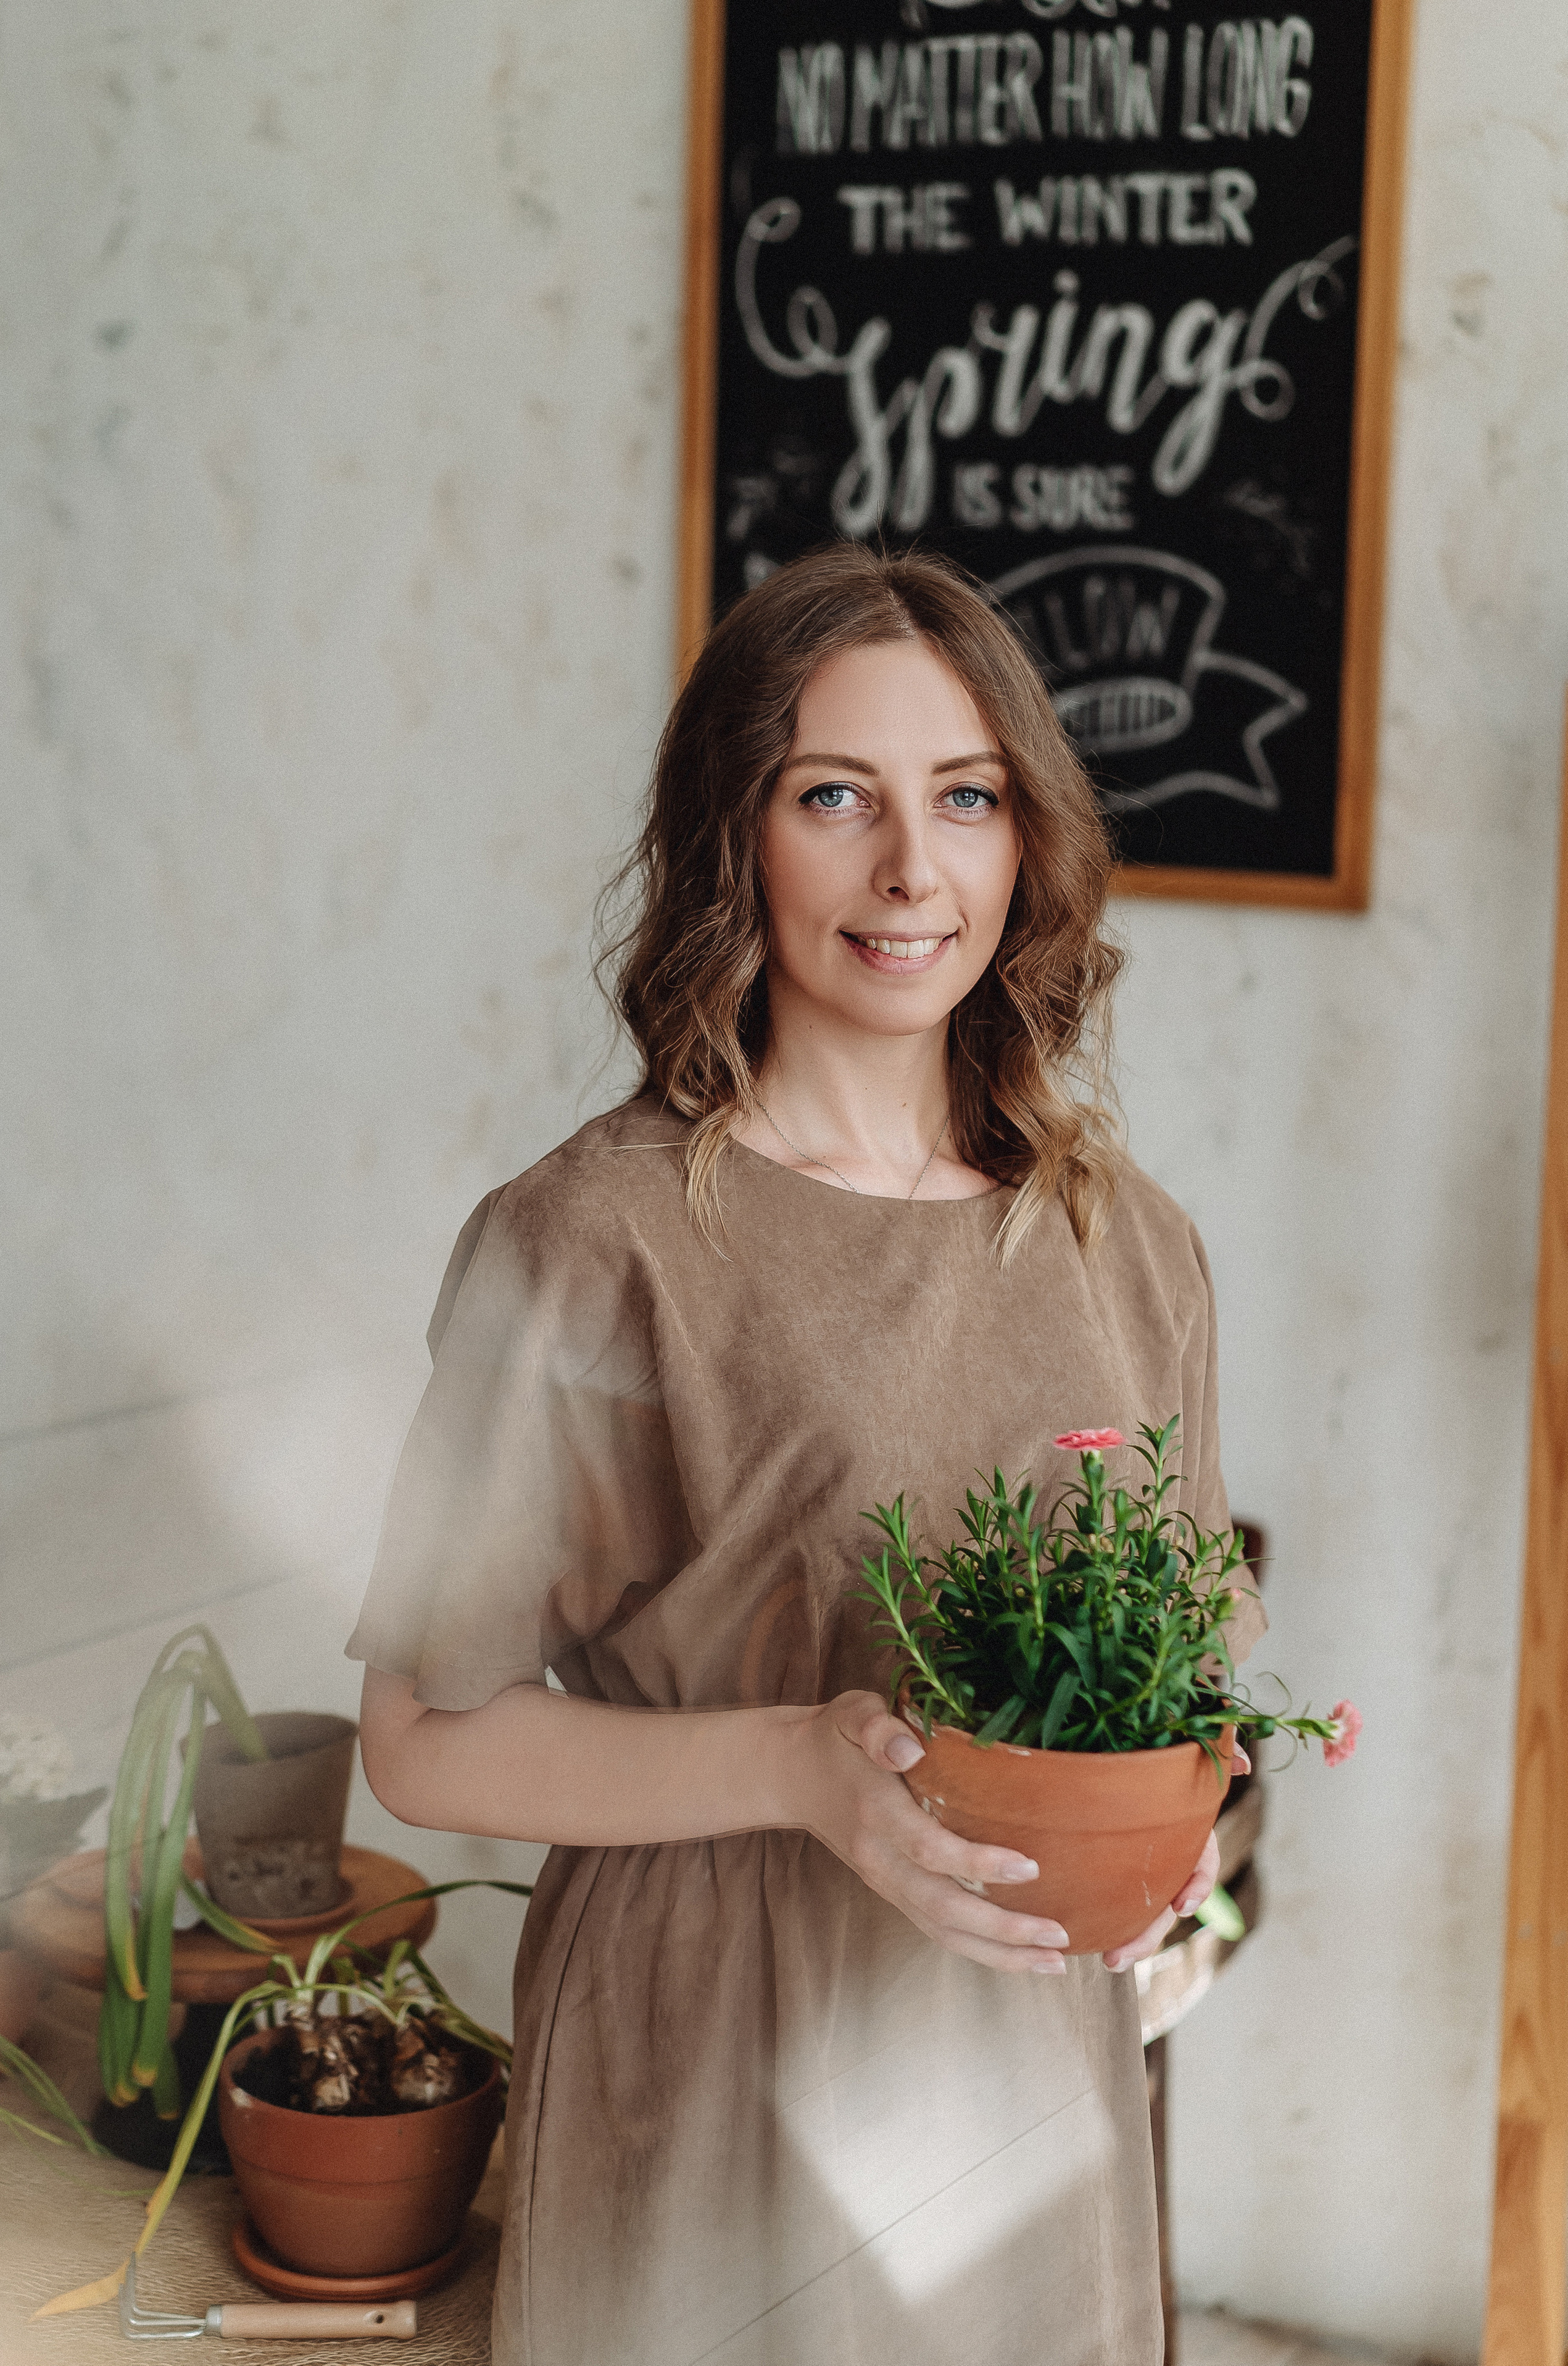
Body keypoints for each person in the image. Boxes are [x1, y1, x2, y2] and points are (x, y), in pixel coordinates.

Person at [349, 543, 1264, 2366]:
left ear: (1027, 841)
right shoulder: (587, 1243)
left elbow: (1179, 1683)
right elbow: (421, 1742)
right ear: (730, 835)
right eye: (835, 794)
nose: (914, 870)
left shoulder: (1128, 1240)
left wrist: (1186, 1826)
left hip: (1025, 2083)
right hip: (709, 2062)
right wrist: (799, 1766)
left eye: (969, 797)